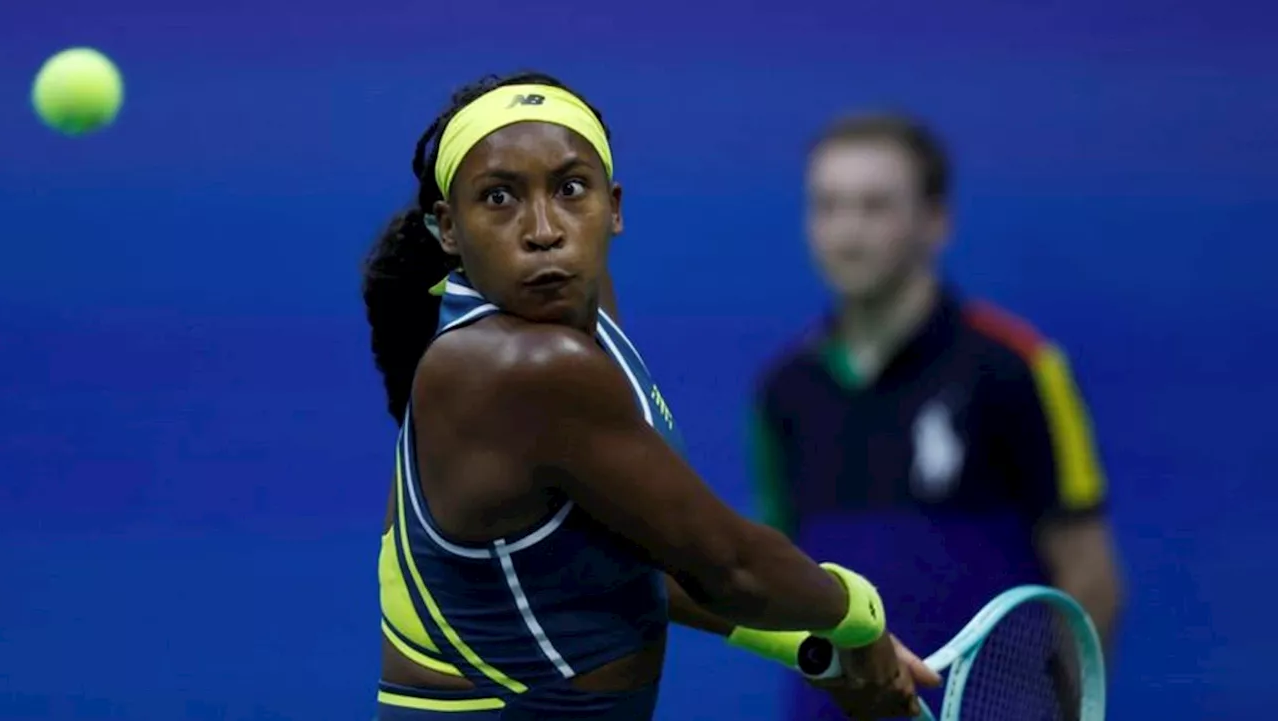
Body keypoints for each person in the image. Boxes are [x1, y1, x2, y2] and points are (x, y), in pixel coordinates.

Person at [359, 72, 939, 721]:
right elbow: (729, 563)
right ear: (448, 227)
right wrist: (860, 618)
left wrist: (809, 643)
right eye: (499, 198)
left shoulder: (577, 310)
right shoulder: (518, 366)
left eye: (570, 188)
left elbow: (632, 556)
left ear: (613, 206)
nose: (543, 228)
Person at [749, 112, 1125, 720]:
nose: (848, 232)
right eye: (828, 206)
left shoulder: (1018, 368)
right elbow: (788, 575)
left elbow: (1091, 577)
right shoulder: (782, 392)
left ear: (935, 221)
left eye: (875, 207)